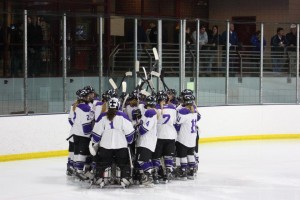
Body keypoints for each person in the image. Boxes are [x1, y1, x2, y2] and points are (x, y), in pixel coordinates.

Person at [90, 97, 135, 187]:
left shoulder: (102, 116)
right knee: (123, 163)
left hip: (105, 147)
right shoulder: (123, 116)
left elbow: (96, 136)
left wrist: (95, 142)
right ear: (118, 105)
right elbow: (130, 134)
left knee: (103, 163)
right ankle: (124, 178)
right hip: (121, 146)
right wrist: (129, 141)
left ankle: (101, 178)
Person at [152, 91, 177, 183]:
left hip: (158, 136)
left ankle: (156, 174)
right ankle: (168, 173)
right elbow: (174, 121)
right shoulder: (173, 108)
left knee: (156, 156)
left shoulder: (155, 109)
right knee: (168, 156)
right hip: (170, 136)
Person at [174, 94, 200, 180]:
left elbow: (177, 125)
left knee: (182, 155)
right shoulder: (195, 111)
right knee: (190, 154)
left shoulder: (183, 112)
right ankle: (192, 172)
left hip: (183, 137)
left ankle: (183, 172)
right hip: (192, 138)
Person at [71, 89, 95, 180]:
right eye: (88, 96)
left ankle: (77, 169)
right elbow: (86, 124)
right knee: (83, 153)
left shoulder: (77, 106)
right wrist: (91, 134)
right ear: (85, 97)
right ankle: (80, 171)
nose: (90, 97)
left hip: (76, 133)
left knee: (77, 152)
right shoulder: (85, 107)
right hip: (83, 135)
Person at [135, 95, 158, 185]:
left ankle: (149, 177)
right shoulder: (149, 112)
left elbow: (143, 130)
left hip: (147, 141)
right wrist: (138, 119)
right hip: (145, 141)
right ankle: (148, 176)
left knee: (142, 161)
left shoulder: (150, 112)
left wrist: (137, 127)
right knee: (145, 160)